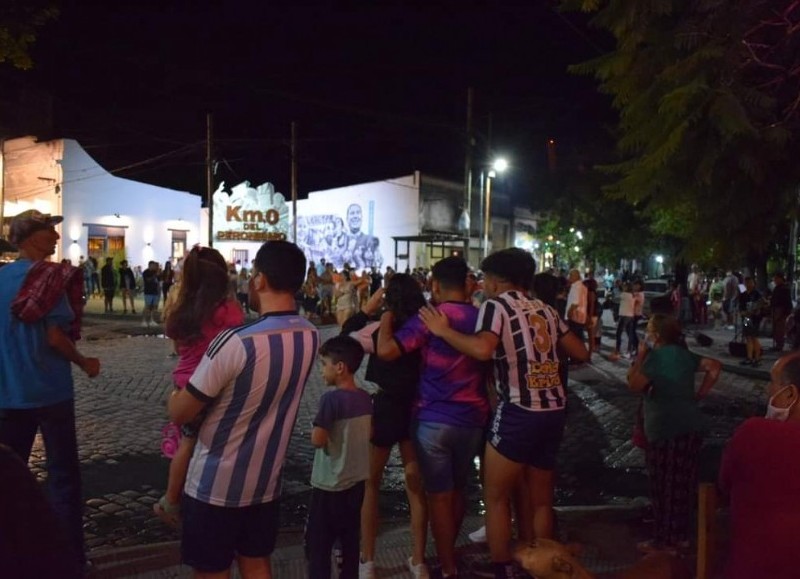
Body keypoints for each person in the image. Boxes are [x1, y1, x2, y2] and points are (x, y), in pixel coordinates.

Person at [420, 248, 588, 579]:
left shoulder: (496, 307)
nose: (482, 285)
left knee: (495, 497)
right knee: (541, 500)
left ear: (497, 281)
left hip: (518, 411)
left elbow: (482, 349)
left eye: (485, 279)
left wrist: (444, 332)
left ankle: (502, 569)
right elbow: (581, 352)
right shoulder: (546, 310)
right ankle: (542, 566)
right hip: (554, 410)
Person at [167, 240, 318, 578]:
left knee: (211, 570)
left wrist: (173, 394)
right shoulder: (309, 336)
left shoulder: (237, 342)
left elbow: (182, 412)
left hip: (215, 485)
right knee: (256, 563)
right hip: (265, 482)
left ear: (260, 280)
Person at [0, 209, 101, 572]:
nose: (56, 238)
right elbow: (55, 336)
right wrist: (84, 361)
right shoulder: (48, 278)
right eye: (48, 231)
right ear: (29, 236)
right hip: (51, 393)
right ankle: (68, 558)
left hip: (8, 393)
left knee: (8, 480)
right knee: (63, 479)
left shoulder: (1, 278)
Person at [378, 256, 489, 579]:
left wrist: (386, 318)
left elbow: (388, 351)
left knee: (439, 496)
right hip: (472, 418)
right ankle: (449, 552)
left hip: (432, 420)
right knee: (458, 489)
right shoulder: (482, 317)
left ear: (435, 285)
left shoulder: (431, 317)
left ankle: (449, 566)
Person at [343, 275, 429, 579]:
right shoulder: (423, 327)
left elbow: (346, 336)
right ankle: (419, 560)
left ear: (388, 299)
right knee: (415, 487)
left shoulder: (381, 329)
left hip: (386, 407)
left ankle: (367, 560)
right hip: (416, 408)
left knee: (371, 483)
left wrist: (368, 308)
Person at [153, 246, 244, 527]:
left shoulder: (182, 310)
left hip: (184, 386)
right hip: (213, 385)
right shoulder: (227, 311)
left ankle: (172, 498)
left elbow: (174, 336)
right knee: (210, 444)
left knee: (187, 443)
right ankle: (181, 500)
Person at [626, 314, 720, 555]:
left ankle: (664, 542)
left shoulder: (655, 358)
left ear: (655, 335)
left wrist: (640, 355)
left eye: (648, 330)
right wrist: (699, 394)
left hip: (664, 429)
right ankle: (680, 537)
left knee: (663, 488)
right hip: (690, 428)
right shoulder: (684, 355)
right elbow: (714, 367)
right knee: (683, 486)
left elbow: (634, 384)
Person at [718, 351, 800, 579]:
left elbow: (724, 484)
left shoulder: (754, 432)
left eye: (772, 382)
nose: (768, 391)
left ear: (791, 393)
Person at [306, 336, 372, 579]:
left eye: (324, 364)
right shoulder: (365, 398)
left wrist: (315, 430)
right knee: (349, 540)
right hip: (356, 483)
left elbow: (318, 439)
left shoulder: (330, 400)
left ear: (340, 367)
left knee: (319, 544)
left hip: (329, 485)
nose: (322, 370)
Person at [738, 277, 764, 367]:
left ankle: (757, 357)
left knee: (754, 337)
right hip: (746, 318)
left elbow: (761, 304)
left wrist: (755, 310)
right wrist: (742, 312)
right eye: (746, 283)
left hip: (754, 318)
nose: (748, 284)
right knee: (748, 336)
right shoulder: (743, 293)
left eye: (750, 282)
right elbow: (741, 305)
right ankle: (749, 357)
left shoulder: (757, 294)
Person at [770, 272, 792, 352]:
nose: (775, 280)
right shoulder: (777, 288)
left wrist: (784, 312)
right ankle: (777, 344)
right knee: (775, 328)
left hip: (781, 310)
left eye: (776, 279)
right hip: (776, 309)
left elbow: (786, 302)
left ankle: (780, 344)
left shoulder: (784, 289)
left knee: (780, 328)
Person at [565, 269, 587, 343]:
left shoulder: (576, 287)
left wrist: (569, 314)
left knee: (575, 340)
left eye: (571, 275)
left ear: (576, 276)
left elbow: (575, 303)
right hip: (580, 317)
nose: (569, 277)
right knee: (579, 338)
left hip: (575, 317)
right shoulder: (582, 286)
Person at [141, 260, 161, 327]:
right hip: (148, 292)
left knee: (153, 307)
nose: (154, 267)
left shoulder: (155, 272)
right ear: (150, 265)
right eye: (153, 265)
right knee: (147, 306)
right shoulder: (146, 272)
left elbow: (158, 282)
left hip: (155, 291)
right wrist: (155, 275)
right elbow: (148, 280)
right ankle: (144, 320)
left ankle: (152, 320)